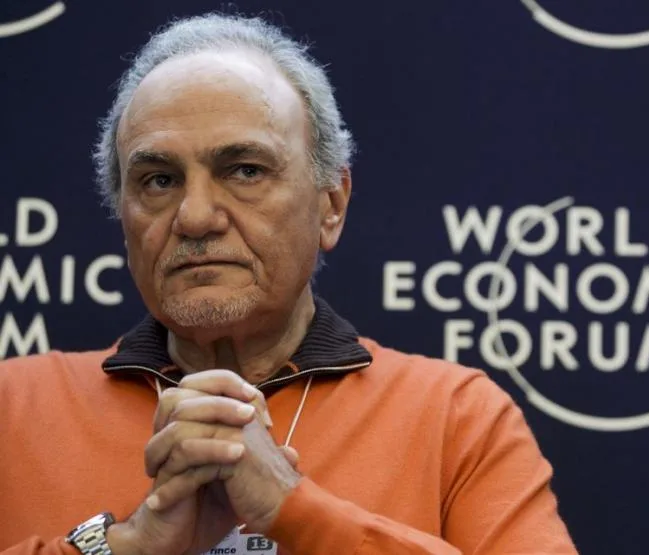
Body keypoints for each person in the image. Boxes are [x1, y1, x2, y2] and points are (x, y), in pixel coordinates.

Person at [0, 12, 577, 555]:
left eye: (245, 170)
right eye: (159, 180)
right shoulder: (14, 406)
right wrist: (129, 545)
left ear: (331, 205)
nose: (195, 217)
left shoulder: (455, 416)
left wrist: (294, 510)